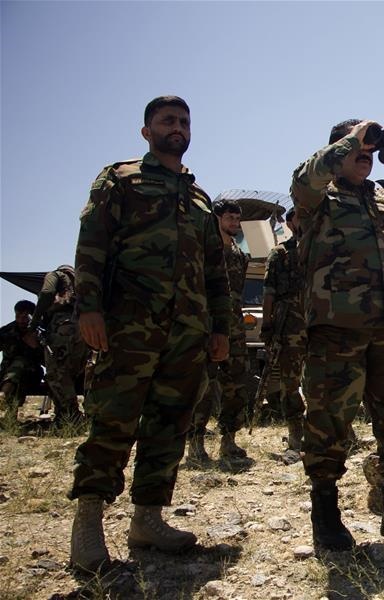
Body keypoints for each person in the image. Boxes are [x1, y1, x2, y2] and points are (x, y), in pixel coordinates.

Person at [68, 95, 230, 573]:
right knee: (113, 419)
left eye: (184, 121)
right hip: (129, 325)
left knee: (170, 423)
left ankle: (147, 519)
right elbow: (91, 245)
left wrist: (220, 327)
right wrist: (89, 309)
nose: (177, 127)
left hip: (187, 332)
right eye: (167, 120)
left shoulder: (199, 198)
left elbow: (215, 272)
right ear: (147, 131)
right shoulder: (120, 179)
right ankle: (88, 524)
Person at [290, 118, 384, 550]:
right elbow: (305, 178)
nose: (365, 154)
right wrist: (353, 138)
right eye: (357, 148)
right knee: (329, 423)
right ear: (339, 149)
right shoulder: (316, 197)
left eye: (370, 149)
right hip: (337, 329)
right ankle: (325, 516)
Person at [188, 198, 251, 462]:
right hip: (208, 325)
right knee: (203, 386)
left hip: (234, 327)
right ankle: (195, 444)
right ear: (216, 219)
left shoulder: (239, 254)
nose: (235, 223)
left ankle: (229, 441)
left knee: (236, 385)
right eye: (229, 218)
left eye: (237, 219)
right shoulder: (204, 251)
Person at [260, 206, 306, 452]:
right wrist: (267, 325)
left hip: (319, 322)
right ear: (289, 223)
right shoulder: (279, 254)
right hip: (289, 325)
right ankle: (296, 431)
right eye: (299, 217)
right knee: (290, 382)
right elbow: (268, 292)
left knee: (324, 380)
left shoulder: (320, 248)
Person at [31, 265, 89, 423]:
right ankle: (63, 416)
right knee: (69, 374)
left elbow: (47, 293)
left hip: (62, 327)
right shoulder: (82, 283)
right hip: (82, 328)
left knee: (56, 372)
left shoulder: (56, 275)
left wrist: (35, 320)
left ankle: (72, 416)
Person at [0, 300, 44, 415]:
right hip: (5, 375)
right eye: (18, 316)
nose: (21, 320)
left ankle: (3, 396)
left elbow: (49, 362)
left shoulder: (41, 332)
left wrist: (36, 347)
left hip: (31, 376)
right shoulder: (7, 331)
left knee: (20, 362)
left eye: (25, 317)